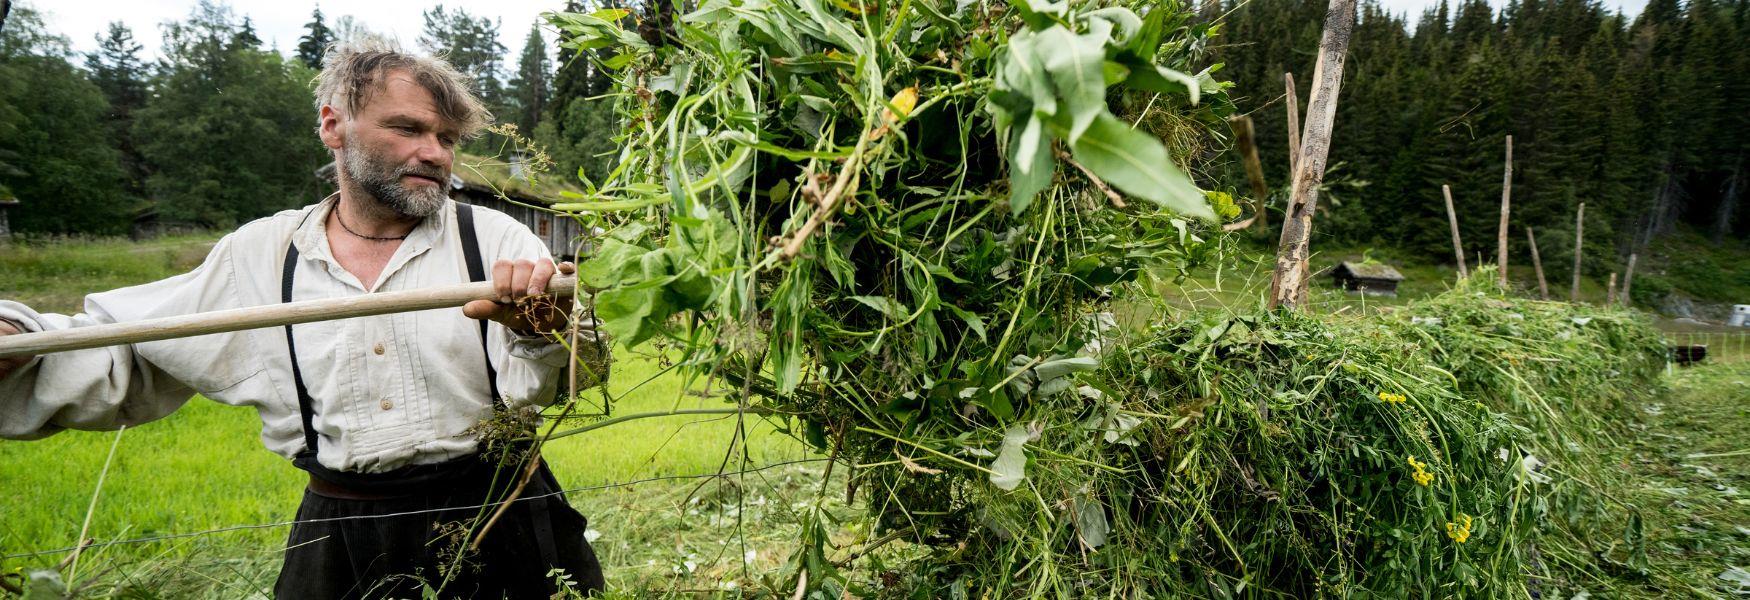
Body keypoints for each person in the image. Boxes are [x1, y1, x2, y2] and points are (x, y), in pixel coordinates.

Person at [0, 39, 608, 598]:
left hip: (502, 517)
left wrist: (542, 328)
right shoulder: (260, 256)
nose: (435, 153)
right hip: (342, 530)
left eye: (447, 138)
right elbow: (132, 345)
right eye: (407, 128)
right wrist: (22, 339)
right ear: (333, 125)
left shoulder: (495, 240)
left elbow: (575, 371)